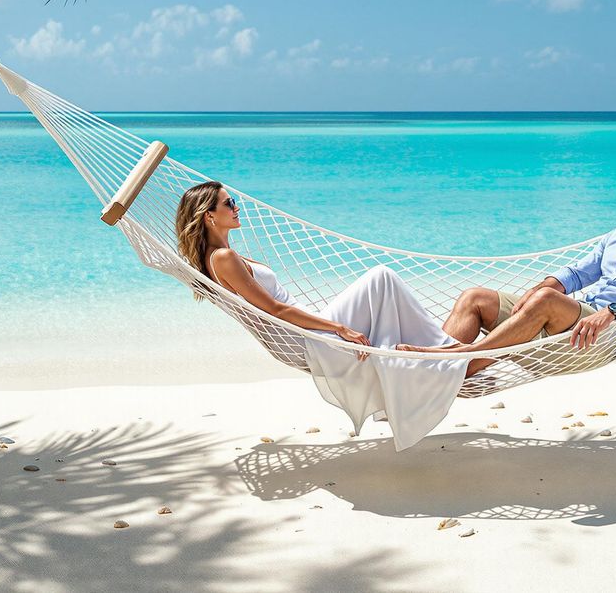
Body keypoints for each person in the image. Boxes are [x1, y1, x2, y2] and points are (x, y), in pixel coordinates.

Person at [175, 180, 467, 450]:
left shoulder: (221, 255)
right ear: (208, 216)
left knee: (383, 287)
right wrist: (340, 328)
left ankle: (428, 358)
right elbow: (276, 310)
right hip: (303, 339)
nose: (237, 207)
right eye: (229, 203)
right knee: (382, 278)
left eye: (235, 200)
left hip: (301, 331)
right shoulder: (223, 258)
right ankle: (445, 353)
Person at [398, 152, 616, 375]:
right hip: (565, 322)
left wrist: (612, 311)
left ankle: (458, 362)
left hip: (602, 336)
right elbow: (577, 273)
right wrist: (539, 289)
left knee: (548, 300)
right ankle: (437, 370)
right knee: (476, 297)